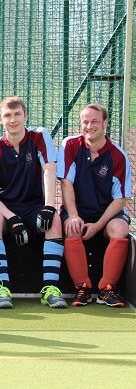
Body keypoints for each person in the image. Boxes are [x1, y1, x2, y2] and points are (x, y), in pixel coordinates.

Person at [0, 96, 66, 309]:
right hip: (5, 208)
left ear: (25, 116)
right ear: (0, 119)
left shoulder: (40, 136)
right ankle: (2, 288)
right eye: (8, 116)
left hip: (34, 205)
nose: (13, 120)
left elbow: (49, 169)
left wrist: (49, 205)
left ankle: (50, 288)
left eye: (17, 114)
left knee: (55, 221)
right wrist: (12, 218)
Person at [57, 103, 131, 307]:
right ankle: (82, 287)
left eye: (95, 121)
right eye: (85, 121)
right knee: (72, 228)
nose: (89, 126)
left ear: (105, 123)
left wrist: (98, 225)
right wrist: (73, 215)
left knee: (120, 228)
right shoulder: (70, 145)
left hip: (106, 215)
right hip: (78, 211)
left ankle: (107, 288)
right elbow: (66, 183)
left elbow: (120, 199)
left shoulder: (118, 156)